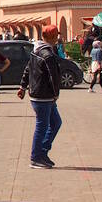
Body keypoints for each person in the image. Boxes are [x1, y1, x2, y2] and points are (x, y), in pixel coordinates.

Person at [18, 24, 63, 169]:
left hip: (39, 95)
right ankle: (36, 157)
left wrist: (22, 86)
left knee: (55, 122)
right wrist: (56, 94)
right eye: (56, 36)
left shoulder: (37, 50)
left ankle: (42, 152)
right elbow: (53, 77)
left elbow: (27, 69)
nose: (57, 39)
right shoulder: (47, 55)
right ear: (52, 37)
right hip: (44, 96)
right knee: (42, 126)